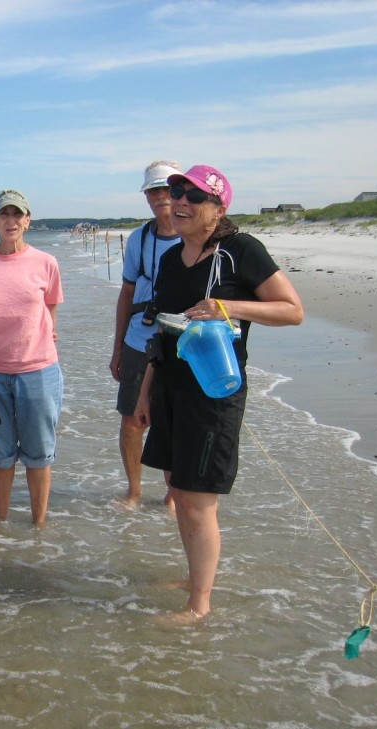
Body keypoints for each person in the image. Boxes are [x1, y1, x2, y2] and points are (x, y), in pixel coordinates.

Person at [134, 165, 304, 621]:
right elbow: (163, 335)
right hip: (169, 386)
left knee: (197, 496)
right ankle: (195, 580)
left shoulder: (240, 251)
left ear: (218, 208)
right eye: (177, 192)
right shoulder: (172, 259)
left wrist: (228, 307)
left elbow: (292, 310)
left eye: (194, 196)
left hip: (213, 391)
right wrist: (146, 392)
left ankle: (199, 605)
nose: (181, 202)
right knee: (177, 487)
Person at [0, 190, 64, 525]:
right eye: (3, 215)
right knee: (1, 455)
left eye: (17, 214)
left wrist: (46, 334)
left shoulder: (46, 262)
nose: (11, 221)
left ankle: (38, 527)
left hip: (39, 372)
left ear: (28, 220)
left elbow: (50, 306)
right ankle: (2, 523)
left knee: (39, 456)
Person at [110, 160, 184, 511]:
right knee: (131, 420)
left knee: (174, 421)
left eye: (168, 188)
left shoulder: (195, 237)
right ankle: (135, 491)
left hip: (182, 343)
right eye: (153, 191)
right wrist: (117, 350)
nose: (161, 197)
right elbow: (126, 295)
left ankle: (172, 495)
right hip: (139, 340)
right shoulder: (140, 238)